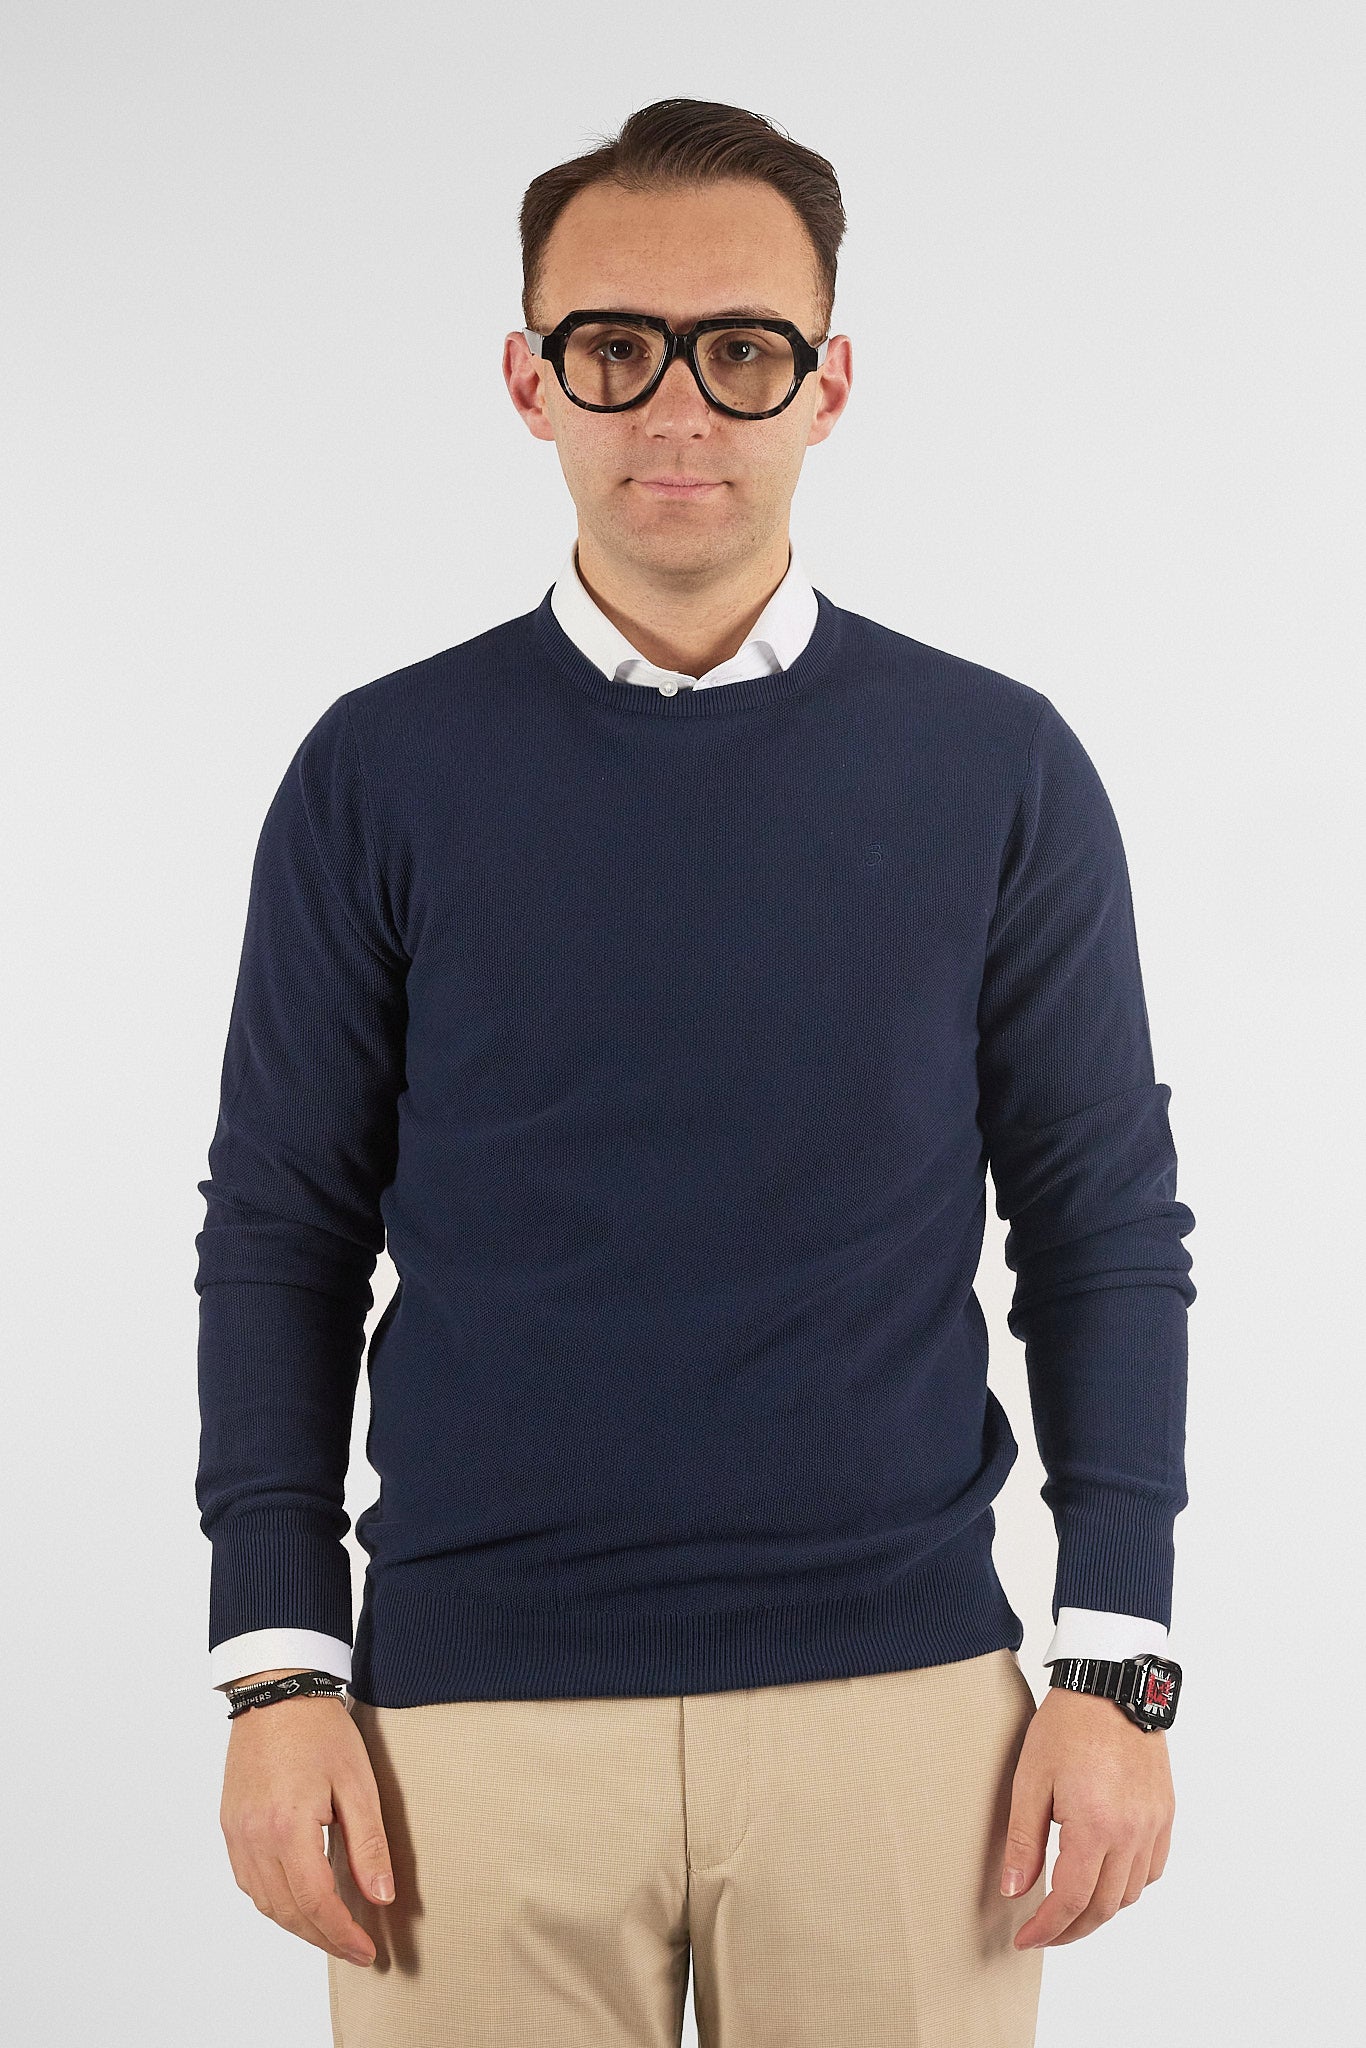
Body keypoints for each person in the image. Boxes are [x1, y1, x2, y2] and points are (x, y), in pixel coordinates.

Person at [195, 96, 1196, 2048]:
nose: (674, 407)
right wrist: (276, 1665)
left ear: (826, 382)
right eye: (613, 347)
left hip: (901, 1721)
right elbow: (281, 1233)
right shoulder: (376, 774)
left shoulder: (994, 769)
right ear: (528, 380)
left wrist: (1115, 1662)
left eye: (739, 350)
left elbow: (1099, 1230)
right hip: (466, 1730)